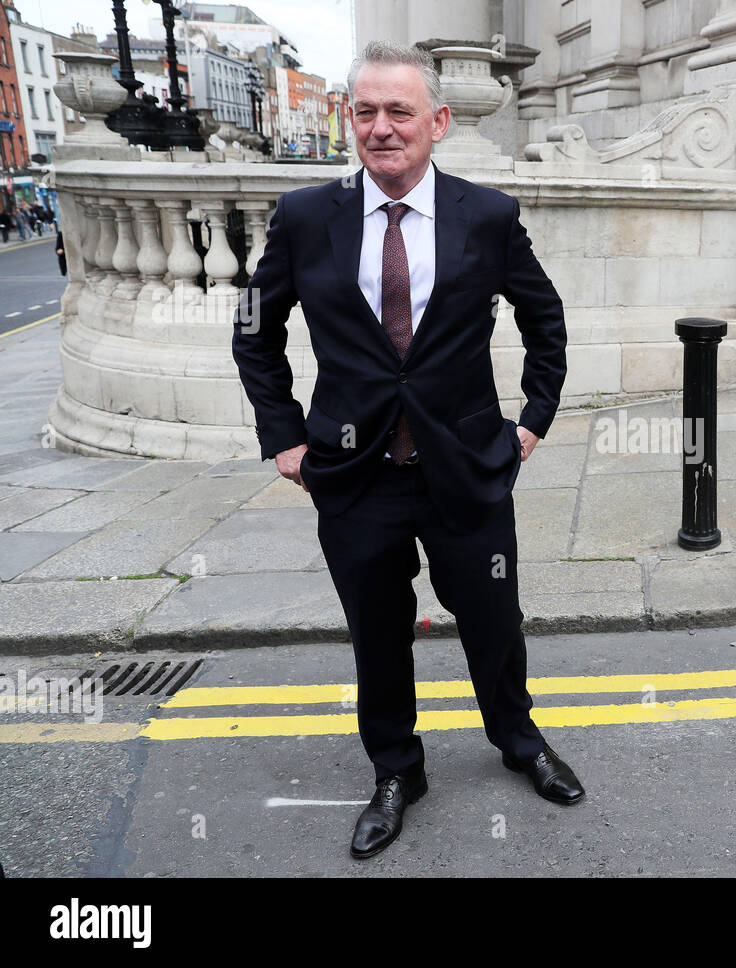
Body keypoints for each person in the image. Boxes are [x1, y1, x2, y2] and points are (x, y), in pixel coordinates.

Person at [231, 40, 582, 861]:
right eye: (366, 112)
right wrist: (282, 435)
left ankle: (520, 741)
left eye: (400, 112)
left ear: (438, 122)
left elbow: (546, 322)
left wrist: (531, 420)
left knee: (493, 619)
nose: (382, 128)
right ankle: (396, 770)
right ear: (348, 119)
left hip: (466, 468)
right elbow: (255, 328)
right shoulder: (306, 217)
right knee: (376, 632)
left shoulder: (487, 217)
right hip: (353, 476)